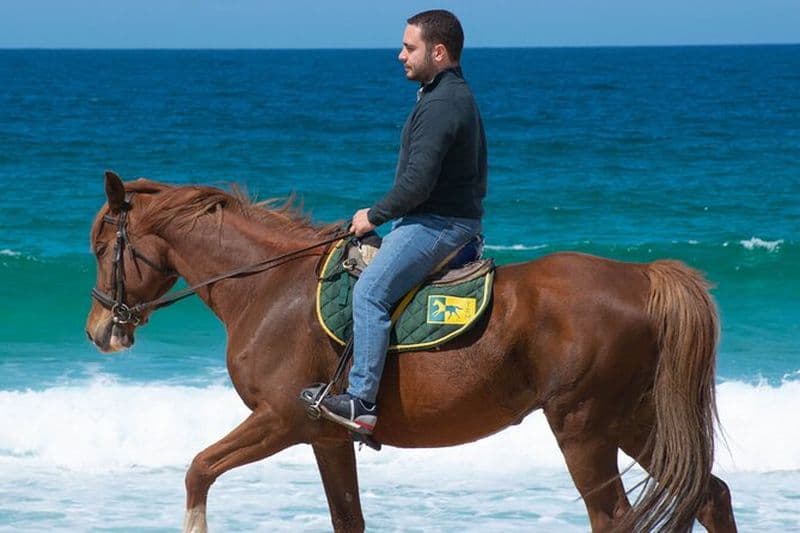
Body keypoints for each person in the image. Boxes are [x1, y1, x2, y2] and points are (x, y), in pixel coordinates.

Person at [319, 9, 487, 435]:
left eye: (409, 48)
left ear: (439, 51)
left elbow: (416, 184)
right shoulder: (445, 95)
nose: (400, 55)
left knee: (371, 294)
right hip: (443, 218)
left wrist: (371, 216)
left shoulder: (443, 104)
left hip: (438, 224)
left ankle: (361, 402)